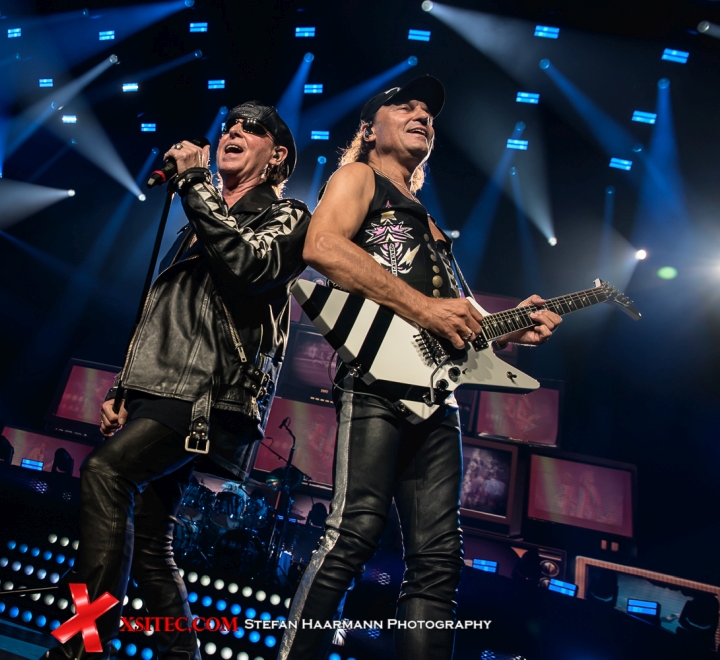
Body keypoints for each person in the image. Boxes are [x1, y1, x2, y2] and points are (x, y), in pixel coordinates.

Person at [278, 75, 562, 660]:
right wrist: (425, 308)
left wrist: (512, 326)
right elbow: (321, 247)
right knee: (353, 533)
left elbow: (461, 322)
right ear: (369, 129)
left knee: (438, 560)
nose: (422, 116)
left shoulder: (424, 218)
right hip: (376, 381)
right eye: (404, 106)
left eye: (428, 113)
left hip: (437, 396)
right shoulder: (360, 178)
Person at [43, 102, 311, 660]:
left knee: (106, 474)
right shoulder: (198, 223)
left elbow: (249, 268)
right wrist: (124, 387)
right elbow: (161, 317)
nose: (233, 131)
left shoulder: (287, 215)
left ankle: (82, 648)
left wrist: (194, 184)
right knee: (149, 538)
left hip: (213, 392)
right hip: (165, 389)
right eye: (229, 125)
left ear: (278, 156)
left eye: (252, 128)